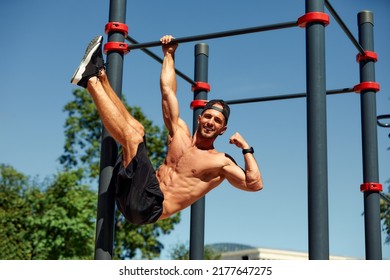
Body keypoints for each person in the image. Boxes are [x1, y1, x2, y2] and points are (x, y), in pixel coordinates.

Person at [70, 35, 263, 225]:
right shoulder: (179, 133)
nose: (211, 122)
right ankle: (101, 76)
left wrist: (245, 148)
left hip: (149, 207)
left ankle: (89, 81)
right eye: (208, 116)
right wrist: (169, 54)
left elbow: (254, 184)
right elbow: (168, 92)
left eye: (217, 121)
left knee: (133, 137)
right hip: (129, 192)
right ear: (200, 118)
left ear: (223, 129)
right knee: (137, 128)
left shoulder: (220, 161)